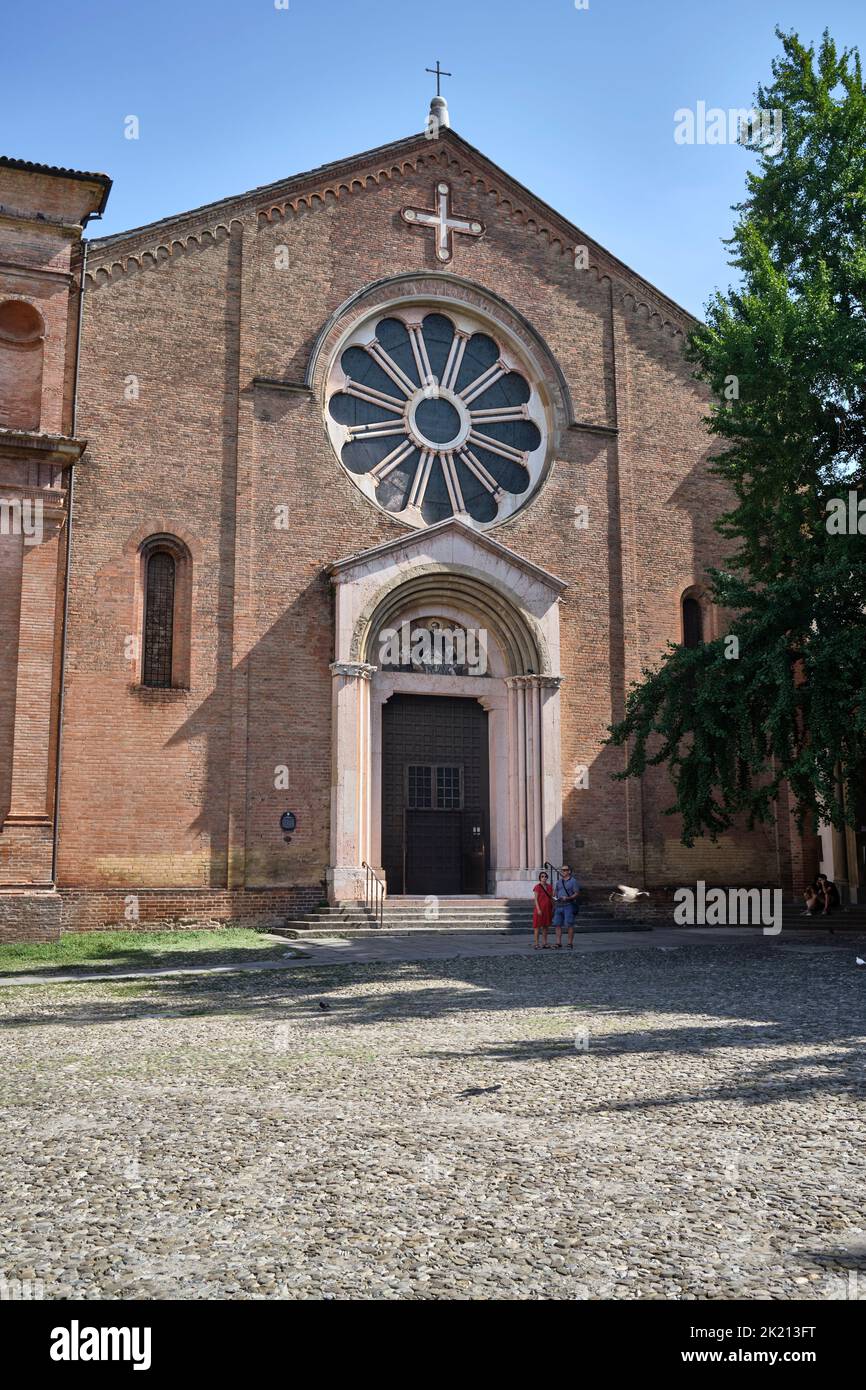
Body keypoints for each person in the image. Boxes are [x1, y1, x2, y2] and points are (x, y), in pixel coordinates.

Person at [553, 865, 581, 949]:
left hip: (568, 905)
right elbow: (556, 892)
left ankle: (569, 943)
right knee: (557, 925)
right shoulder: (559, 882)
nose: (563, 871)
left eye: (565, 870)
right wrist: (554, 897)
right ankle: (558, 943)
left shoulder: (573, 881)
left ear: (569, 871)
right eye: (562, 870)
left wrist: (568, 898)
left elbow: (576, 893)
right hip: (559, 905)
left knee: (569, 924)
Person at [532, 870, 554, 949]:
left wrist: (553, 907)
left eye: (545, 876)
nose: (544, 878)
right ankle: (536, 943)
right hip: (539, 910)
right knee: (537, 927)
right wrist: (538, 909)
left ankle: (544, 943)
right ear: (540, 878)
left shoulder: (549, 887)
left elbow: (551, 897)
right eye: (542, 876)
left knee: (545, 927)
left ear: (547, 878)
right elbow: (535, 899)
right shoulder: (537, 887)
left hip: (547, 909)